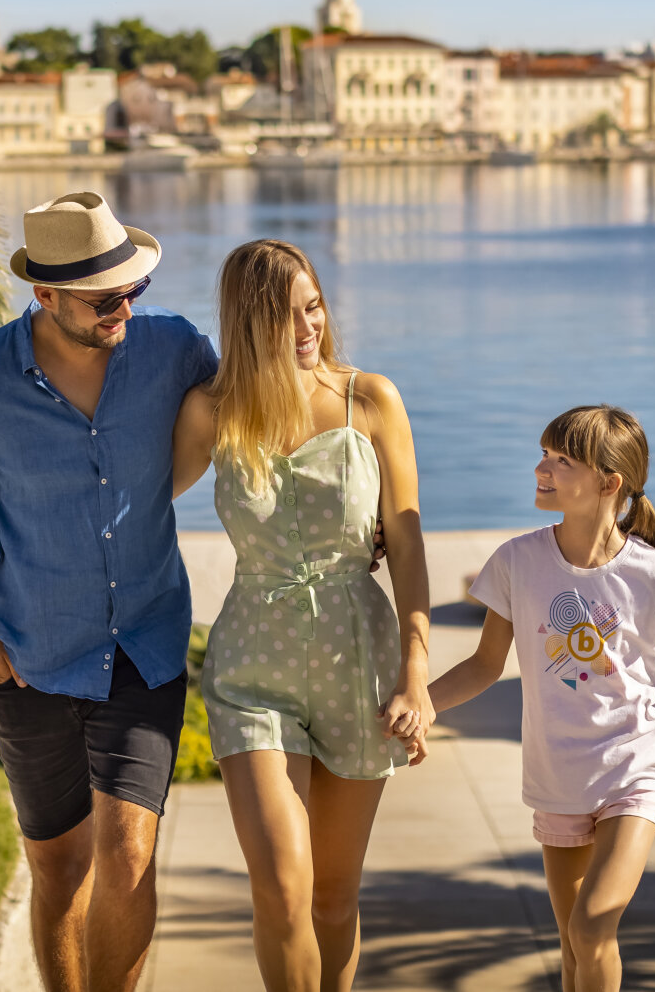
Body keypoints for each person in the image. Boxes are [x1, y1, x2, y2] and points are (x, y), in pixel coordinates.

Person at [0, 191, 218, 992]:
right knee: (61, 868)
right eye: (104, 298)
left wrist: (366, 517)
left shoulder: (174, 349)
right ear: (43, 296)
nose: (124, 308)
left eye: (132, 290)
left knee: (129, 853)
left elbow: (265, 409)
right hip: (28, 659)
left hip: (144, 646)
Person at [172, 239, 433, 992]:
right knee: (282, 892)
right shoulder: (209, 412)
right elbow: (128, 507)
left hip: (362, 664)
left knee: (332, 897)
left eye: (312, 305)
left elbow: (409, 545)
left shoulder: (370, 400)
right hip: (253, 671)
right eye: (284, 315)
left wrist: (416, 678)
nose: (307, 326)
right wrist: (14, 536)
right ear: (246, 323)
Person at [426, 405, 655, 992]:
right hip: (557, 776)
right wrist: (420, 707)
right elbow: (484, 666)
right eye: (544, 454)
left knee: (594, 925)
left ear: (609, 482)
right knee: (575, 943)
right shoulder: (516, 561)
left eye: (561, 460)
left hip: (634, 769)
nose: (542, 468)